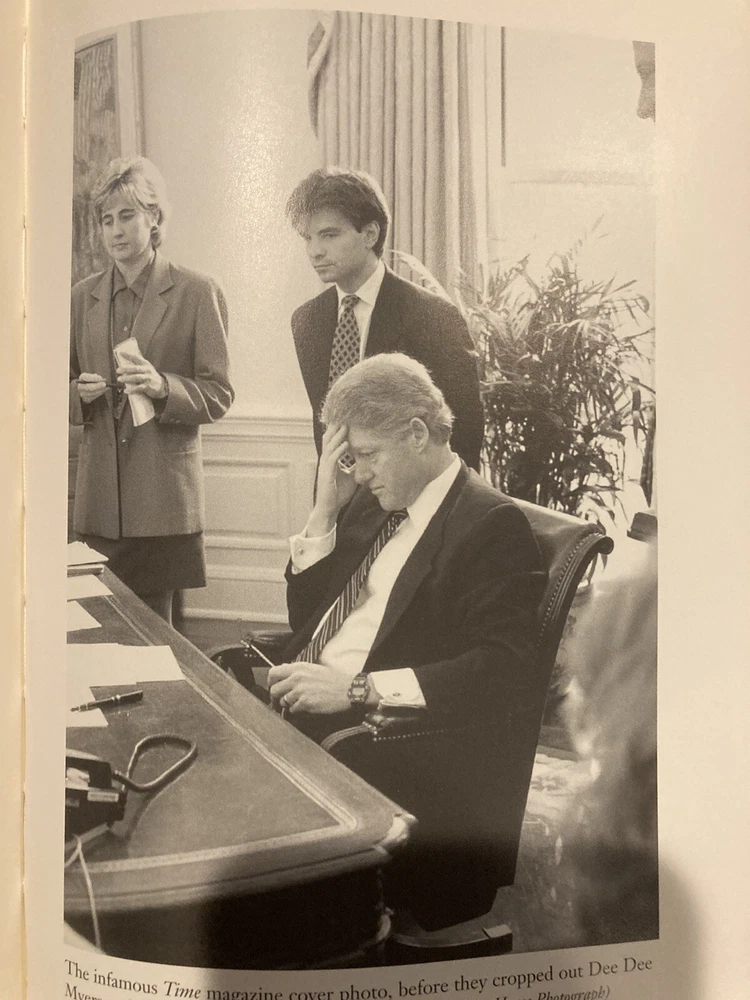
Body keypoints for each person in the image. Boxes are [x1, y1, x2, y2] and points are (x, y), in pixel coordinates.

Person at [267, 353, 546, 926]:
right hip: (306, 709)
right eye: (351, 458)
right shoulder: (376, 501)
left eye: (368, 454)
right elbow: (306, 620)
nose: (360, 472)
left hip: (380, 747)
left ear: (418, 434)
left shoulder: (490, 525)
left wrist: (357, 689)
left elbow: (503, 669)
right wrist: (324, 512)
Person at [69, 156, 234, 623]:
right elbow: (47, 389)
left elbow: (219, 394)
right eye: (106, 220)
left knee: (157, 638)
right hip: (100, 506)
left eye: (127, 216)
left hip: (163, 504)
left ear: (154, 217)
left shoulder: (197, 292)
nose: (115, 230)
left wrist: (164, 386)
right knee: (97, 633)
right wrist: (77, 393)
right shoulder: (81, 297)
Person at [285, 167, 484, 470]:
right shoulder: (306, 321)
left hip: (414, 491)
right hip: (338, 492)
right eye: (307, 238)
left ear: (370, 234)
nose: (314, 251)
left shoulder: (434, 316)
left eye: (329, 235)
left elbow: (464, 434)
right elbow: (325, 425)